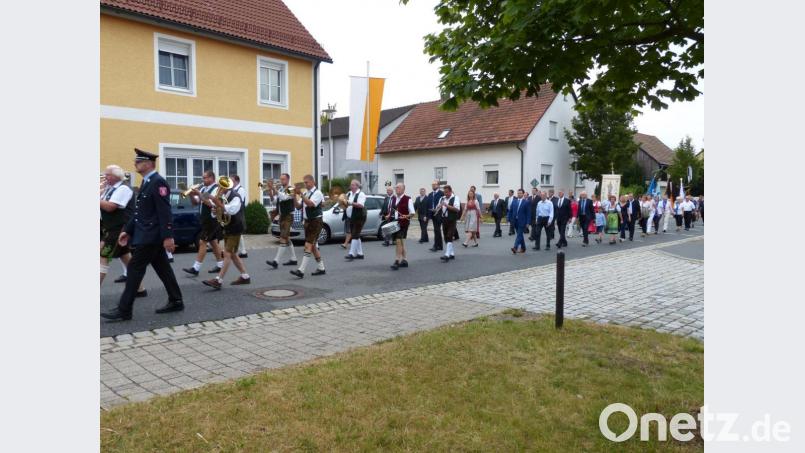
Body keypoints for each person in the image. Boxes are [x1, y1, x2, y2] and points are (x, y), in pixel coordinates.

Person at [101, 148, 183, 322]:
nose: (135, 164)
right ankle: (176, 300)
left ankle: (124, 309)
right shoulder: (147, 182)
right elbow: (139, 212)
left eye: (138, 161)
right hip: (148, 234)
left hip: (151, 235)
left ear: (149, 164)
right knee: (163, 269)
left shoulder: (158, 182)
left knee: (134, 269)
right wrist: (127, 230)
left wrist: (168, 236)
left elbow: (164, 211)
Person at [99, 165, 148, 296]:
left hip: (119, 230)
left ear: (116, 176)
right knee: (126, 258)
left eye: (107, 174)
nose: (104, 176)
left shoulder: (123, 188)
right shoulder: (111, 188)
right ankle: (140, 289)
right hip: (111, 228)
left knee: (103, 257)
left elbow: (111, 207)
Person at [202, 176, 251, 289]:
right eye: (219, 186)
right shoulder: (223, 197)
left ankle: (218, 280)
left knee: (227, 253)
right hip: (228, 227)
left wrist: (217, 202)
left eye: (221, 186)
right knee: (233, 254)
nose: (219, 188)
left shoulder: (236, 197)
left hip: (236, 227)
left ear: (227, 187)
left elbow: (231, 210)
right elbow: (216, 213)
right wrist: (215, 210)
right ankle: (245, 276)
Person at [182, 170, 225, 276]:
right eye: (203, 178)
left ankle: (196, 268)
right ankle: (220, 264)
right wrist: (191, 195)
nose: (203, 180)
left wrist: (199, 194)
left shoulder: (216, 189)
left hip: (212, 219)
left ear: (211, 178)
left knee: (202, 242)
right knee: (213, 242)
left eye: (205, 178)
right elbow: (196, 202)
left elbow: (211, 203)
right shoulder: (203, 189)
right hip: (205, 219)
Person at [290, 175, 327, 278]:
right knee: (313, 246)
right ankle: (321, 268)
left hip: (315, 221)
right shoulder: (306, 193)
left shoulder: (317, 193)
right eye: (304, 182)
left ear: (313, 182)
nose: (305, 184)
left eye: (306, 182)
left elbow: (311, 204)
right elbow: (298, 206)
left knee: (308, 245)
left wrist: (301, 194)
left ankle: (301, 270)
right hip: (307, 221)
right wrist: (294, 196)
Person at [265, 173, 298, 269]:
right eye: (280, 179)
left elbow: (283, 197)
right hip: (282, 216)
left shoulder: (291, 189)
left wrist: (273, 188)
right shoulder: (280, 189)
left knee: (283, 238)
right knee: (286, 238)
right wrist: (270, 191)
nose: (281, 181)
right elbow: (274, 201)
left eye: (283, 179)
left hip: (288, 216)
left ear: (288, 180)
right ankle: (294, 259)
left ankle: (276, 261)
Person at [388, 183, 415, 270]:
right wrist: (389, 215)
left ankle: (397, 261)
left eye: (398, 188)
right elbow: (393, 210)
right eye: (396, 188)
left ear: (403, 189)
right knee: (400, 242)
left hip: (403, 223)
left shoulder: (408, 199)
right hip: (395, 223)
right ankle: (405, 260)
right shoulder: (394, 198)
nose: (396, 189)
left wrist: (406, 216)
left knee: (398, 241)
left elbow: (412, 213)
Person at [344, 179, 367, 261]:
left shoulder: (361, 194)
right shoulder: (349, 193)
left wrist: (350, 203)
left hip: (359, 217)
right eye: (351, 185)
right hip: (351, 217)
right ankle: (360, 254)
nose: (351, 186)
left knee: (354, 234)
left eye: (353, 185)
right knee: (356, 235)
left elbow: (361, 205)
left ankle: (352, 254)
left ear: (357, 186)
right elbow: (344, 201)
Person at [227, 174, 249, 258]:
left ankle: (239, 251)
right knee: (238, 233)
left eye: (231, 181)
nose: (230, 182)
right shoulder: (232, 189)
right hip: (233, 212)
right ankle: (242, 251)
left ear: (237, 181)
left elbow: (240, 201)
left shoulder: (241, 189)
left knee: (238, 232)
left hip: (238, 213)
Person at [438, 185, 461, 262]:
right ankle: (452, 253)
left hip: (452, 220)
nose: (445, 194)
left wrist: (446, 205)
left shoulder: (455, 198)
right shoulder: (442, 198)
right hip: (444, 219)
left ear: (451, 191)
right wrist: (436, 208)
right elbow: (438, 207)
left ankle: (447, 254)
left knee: (449, 236)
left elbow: (457, 209)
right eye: (444, 192)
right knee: (445, 237)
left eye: (447, 192)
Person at [428, 180, 444, 251]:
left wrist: (437, 209)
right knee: (437, 230)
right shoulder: (430, 194)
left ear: (438, 185)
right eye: (432, 184)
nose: (433, 186)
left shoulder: (442, 193)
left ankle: (436, 245)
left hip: (439, 214)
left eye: (435, 184)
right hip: (433, 214)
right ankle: (440, 246)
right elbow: (428, 204)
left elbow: (443, 203)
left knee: (437, 230)